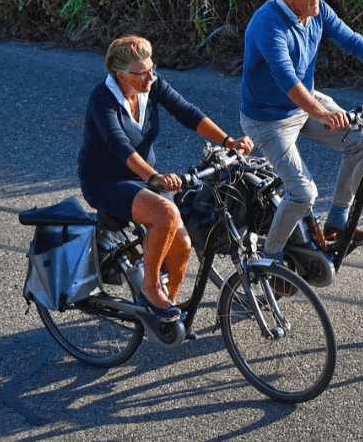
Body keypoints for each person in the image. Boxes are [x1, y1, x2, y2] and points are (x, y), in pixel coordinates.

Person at [240, 0, 363, 262]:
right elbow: (285, 77)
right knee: (303, 194)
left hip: (304, 102)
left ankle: (337, 220)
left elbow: (352, 41)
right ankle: (268, 263)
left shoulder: (315, 10)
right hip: (268, 120)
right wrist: (321, 113)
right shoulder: (268, 24)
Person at [78, 35, 253, 319]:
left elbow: (187, 113)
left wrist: (228, 141)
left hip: (144, 179)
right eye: (143, 72)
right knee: (166, 213)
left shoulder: (151, 85)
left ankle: (165, 312)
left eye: (152, 68)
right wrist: (155, 177)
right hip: (106, 182)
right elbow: (119, 147)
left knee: (183, 246)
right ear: (122, 76)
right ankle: (150, 288)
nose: (151, 76)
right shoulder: (102, 99)